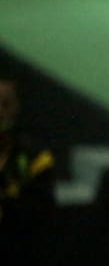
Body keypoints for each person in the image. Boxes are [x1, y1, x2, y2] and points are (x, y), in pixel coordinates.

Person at [0, 78, 56, 265]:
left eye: (5, 105)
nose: (0, 113)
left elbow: (39, 218)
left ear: (16, 108)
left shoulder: (36, 158)